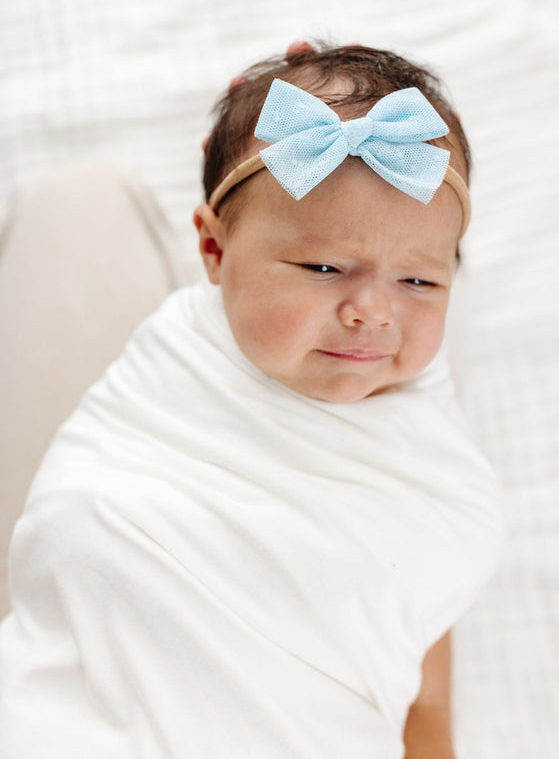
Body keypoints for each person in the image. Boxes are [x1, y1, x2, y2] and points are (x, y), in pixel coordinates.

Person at [0, 42, 505, 758]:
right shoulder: (156, 400)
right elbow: (90, 521)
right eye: (326, 266)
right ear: (210, 248)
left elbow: (410, 592)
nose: (375, 312)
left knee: (83, 206)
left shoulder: (407, 394)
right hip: (144, 529)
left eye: (421, 281)